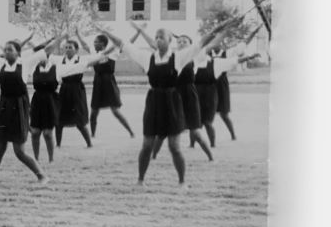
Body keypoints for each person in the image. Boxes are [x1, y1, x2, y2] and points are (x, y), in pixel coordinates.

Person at [98, 19, 238, 187]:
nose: (157, 39)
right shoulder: (146, 57)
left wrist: (220, 27)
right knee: (147, 145)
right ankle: (140, 180)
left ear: (169, 41)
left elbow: (202, 43)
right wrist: (105, 32)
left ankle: (182, 182)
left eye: (161, 37)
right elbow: (122, 43)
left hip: (173, 102)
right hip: (154, 103)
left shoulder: (179, 57)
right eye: (156, 37)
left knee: (174, 146)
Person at [133, 30, 214, 161]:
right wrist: (141, 30)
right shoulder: (172, 57)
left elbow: (209, 42)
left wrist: (222, 29)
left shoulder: (196, 56)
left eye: (185, 41)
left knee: (196, 132)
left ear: (191, 44)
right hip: (172, 95)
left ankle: (211, 157)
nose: (181, 43)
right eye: (179, 41)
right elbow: (153, 43)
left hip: (188, 96)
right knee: (162, 132)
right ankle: (153, 156)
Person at [0, 38, 56, 181]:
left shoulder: (26, 64)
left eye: (10, 50)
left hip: (19, 110)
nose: (6, 52)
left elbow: (47, 50)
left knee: (19, 152)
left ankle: (42, 176)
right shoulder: (0, 63)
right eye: (5, 50)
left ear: (18, 52)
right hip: (4, 109)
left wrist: (61, 38)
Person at [193, 48, 261, 147]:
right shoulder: (197, 60)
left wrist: (250, 57)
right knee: (198, 120)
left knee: (222, 115)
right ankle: (193, 144)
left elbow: (236, 59)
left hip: (217, 88)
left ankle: (231, 136)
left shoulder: (221, 57)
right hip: (201, 90)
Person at [78, 32, 135, 138]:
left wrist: (137, 32)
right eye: (94, 42)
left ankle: (130, 131)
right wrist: (77, 33)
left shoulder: (112, 52)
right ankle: (93, 135)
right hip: (98, 83)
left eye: (96, 42)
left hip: (109, 82)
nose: (94, 44)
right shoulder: (94, 53)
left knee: (116, 111)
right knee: (94, 112)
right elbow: (84, 45)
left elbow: (128, 43)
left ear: (103, 44)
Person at [53, 37, 99, 149]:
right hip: (64, 90)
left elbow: (96, 59)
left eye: (70, 47)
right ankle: (58, 144)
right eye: (66, 47)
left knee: (79, 120)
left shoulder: (81, 59)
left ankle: (89, 143)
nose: (68, 49)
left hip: (77, 90)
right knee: (59, 120)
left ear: (76, 50)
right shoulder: (60, 60)